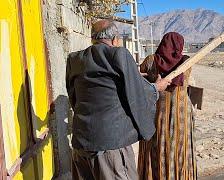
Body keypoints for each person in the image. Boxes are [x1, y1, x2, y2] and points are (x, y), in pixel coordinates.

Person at [65, 19, 171, 180]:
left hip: (81, 143)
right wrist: (156, 88)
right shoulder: (118, 54)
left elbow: (73, 96)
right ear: (115, 39)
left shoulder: (75, 59)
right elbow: (137, 92)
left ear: (93, 38)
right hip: (109, 146)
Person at [138, 32, 197, 180]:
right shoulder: (186, 63)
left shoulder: (150, 61)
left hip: (157, 116)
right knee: (179, 150)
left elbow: (140, 82)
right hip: (181, 117)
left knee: (156, 149)